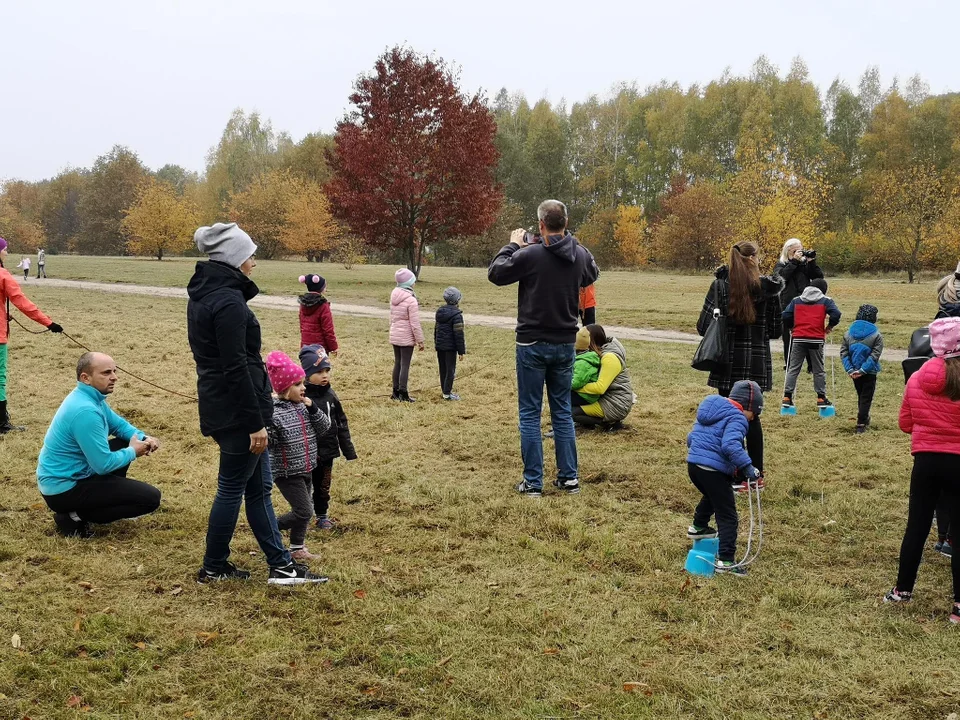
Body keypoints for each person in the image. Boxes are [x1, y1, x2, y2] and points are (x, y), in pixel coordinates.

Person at [187, 222, 325, 586]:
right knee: (233, 489)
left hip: (228, 405)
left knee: (257, 489)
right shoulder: (228, 301)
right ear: (234, 258)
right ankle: (215, 566)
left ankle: (279, 565)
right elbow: (234, 366)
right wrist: (254, 422)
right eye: (250, 255)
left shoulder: (207, 294)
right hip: (237, 412)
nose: (254, 262)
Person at [488, 199, 599, 498]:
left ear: (540, 225)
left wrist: (512, 246)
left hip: (532, 343)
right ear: (565, 222)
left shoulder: (530, 255)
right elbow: (592, 273)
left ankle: (533, 482)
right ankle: (569, 478)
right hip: (564, 344)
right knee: (562, 411)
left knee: (529, 413)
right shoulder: (578, 254)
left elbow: (496, 273)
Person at [884, 317, 960, 624]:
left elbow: (905, 423)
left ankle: (902, 591)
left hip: (926, 461)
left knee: (916, 526)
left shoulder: (916, 378)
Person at [36, 352, 162, 537]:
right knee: (150, 499)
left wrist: (144, 438)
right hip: (63, 488)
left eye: (114, 371)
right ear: (85, 378)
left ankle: (102, 499)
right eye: (106, 373)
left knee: (122, 442)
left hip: (77, 473)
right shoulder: (85, 410)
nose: (114, 377)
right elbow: (103, 465)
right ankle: (73, 517)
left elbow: (119, 425)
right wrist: (133, 451)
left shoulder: (90, 398)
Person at [697, 241, 783, 481]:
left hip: (726, 360)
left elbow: (703, 326)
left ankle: (730, 470)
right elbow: (776, 330)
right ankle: (756, 473)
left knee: (726, 416)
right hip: (755, 361)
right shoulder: (768, 289)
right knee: (752, 418)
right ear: (754, 258)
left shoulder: (719, 286)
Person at [686, 380, 764, 576]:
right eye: (754, 413)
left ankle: (698, 526)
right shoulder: (738, 418)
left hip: (694, 466)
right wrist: (748, 467)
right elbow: (730, 446)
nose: (753, 418)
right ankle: (726, 560)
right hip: (713, 470)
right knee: (728, 515)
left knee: (713, 496)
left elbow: (690, 438)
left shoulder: (711, 409)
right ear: (748, 407)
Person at [264, 350, 331, 562]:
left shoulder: (303, 407)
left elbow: (324, 427)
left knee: (303, 510)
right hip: (286, 471)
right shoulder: (274, 413)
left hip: (307, 466)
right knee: (304, 511)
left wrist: (313, 409)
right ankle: (268, 528)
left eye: (303, 383)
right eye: (298, 384)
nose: (303, 388)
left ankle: (297, 548)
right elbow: (269, 442)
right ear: (284, 389)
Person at [0, 237, 63, 434]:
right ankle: (2, 423)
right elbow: (22, 302)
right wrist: (49, 323)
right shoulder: (3, 275)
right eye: (5, 249)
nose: (6, 253)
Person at [300, 344, 357, 530]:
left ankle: (322, 515)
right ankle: (303, 514)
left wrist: (348, 449)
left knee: (323, 486)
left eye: (327, 371)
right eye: (319, 371)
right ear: (307, 374)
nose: (324, 375)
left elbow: (341, 423)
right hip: (307, 453)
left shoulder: (331, 396)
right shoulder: (301, 397)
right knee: (305, 486)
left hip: (328, 452)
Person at [781, 278, 842, 410]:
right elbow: (836, 314)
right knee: (818, 370)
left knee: (793, 368)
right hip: (816, 338)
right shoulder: (826, 301)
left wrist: (792, 327)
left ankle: (787, 396)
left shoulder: (796, 300)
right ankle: (821, 397)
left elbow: (786, 315)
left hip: (798, 338)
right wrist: (829, 327)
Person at [571, 324, 634, 429]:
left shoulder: (609, 358)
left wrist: (575, 387)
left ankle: (608, 423)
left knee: (570, 412)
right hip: (607, 398)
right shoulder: (601, 353)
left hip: (615, 404)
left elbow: (600, 388)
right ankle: (586, 423)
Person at [774, 238, 824, 368]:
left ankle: (812, 364)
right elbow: (781, 278)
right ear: (789, 250)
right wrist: (794, 262)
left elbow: (819, 277)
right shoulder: (781, 264)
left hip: (806, 303)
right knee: (788, 336)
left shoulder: (804, 266)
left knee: (809, 333)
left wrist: (811, 262)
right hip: (788, 304)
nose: (800, 252)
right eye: (797, 249)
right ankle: (790, 363)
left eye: (801, 249)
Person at [840, 304, 884, 433]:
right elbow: (875, 355)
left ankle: (864, 417)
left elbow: (844, 353)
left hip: (854, 371)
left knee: (861, 395)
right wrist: (864, 370)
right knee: (866, 397)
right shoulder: (877, 335)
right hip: (869, 372)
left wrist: (850, 369)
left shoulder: (848, 333)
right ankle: (861, 422)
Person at [389, 268, 425, 402]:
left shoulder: (394, 295)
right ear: (409, 283)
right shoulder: (411, 300)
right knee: (405, 364)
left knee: (397, 362)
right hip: (406, 337)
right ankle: (403, 393)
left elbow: (391, 317)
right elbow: (415, 323)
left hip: (395, 334)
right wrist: (420, 340)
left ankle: (395, 392)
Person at [434, 286, 466, 401]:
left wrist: (436, 343)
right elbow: (459, 335)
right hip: (451, 348)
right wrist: (461, 351)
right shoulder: (457, 315)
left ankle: (444, 390)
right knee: (450, 370)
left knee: (443, 369)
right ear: (457, 300)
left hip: (440, 346)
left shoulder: (439, 312)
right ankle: (447, 394)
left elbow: (436, 330)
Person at [298, 274, 338, 355]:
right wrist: (333, 347)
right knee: (320, 367)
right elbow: (328, 329)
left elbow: (302, 326)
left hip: (305, 347)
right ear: (321, 288)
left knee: (307, 367)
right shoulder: (323, 305)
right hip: (320, 348)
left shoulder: (303, 304)